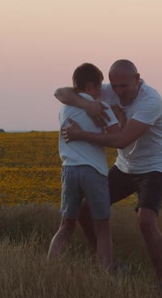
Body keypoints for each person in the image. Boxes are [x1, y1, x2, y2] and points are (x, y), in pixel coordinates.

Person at [55, 59, 162, 286]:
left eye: (124, 86)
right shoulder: (108, 91)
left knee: (146, 221)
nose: (118, 91)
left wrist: (81, 135)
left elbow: (121, 140)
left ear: (137, 79)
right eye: (114, 86)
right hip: (125, 167)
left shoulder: (151, 100)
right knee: (84, 208)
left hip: (154, 168)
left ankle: (161, 280)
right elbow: (60, 92)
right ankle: (108, 263)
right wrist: (87, 104)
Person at [47, 63, 120, 271]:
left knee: (66, 226)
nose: (100, 93)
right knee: (103, 228)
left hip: (69, 170)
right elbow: (116, 136)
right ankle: (106, 274)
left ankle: (49, 270)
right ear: (91, 86)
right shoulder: (101, 108)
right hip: (93, 172)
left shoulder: (65, 107)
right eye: (98, 87)